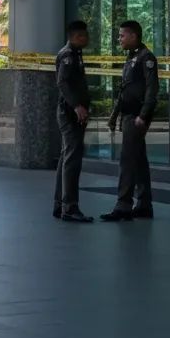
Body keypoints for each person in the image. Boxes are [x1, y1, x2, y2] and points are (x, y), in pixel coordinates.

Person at [101, 20, 158, 222]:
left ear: (134, 36)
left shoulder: (146, 58)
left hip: (136, 117)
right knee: (138, 159)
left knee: (127, 160)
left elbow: (152, 89)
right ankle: (143, 204)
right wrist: (114, 114)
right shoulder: (131, 57)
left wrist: (144, 115)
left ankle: (123, 205)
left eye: (122, 35)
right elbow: (125, 89)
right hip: (128, 114)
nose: (119, 39)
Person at [54, 21, 93, 223]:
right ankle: (69, 206)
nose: (85, 40)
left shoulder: (75, 54)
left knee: (66, 157)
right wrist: (77, 106)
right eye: (81, 37)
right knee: (72, 158)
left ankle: (60, 204)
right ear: (73, 37)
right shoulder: (68, 55)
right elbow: (62, 82)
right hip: (70, 113)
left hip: (71, 112)